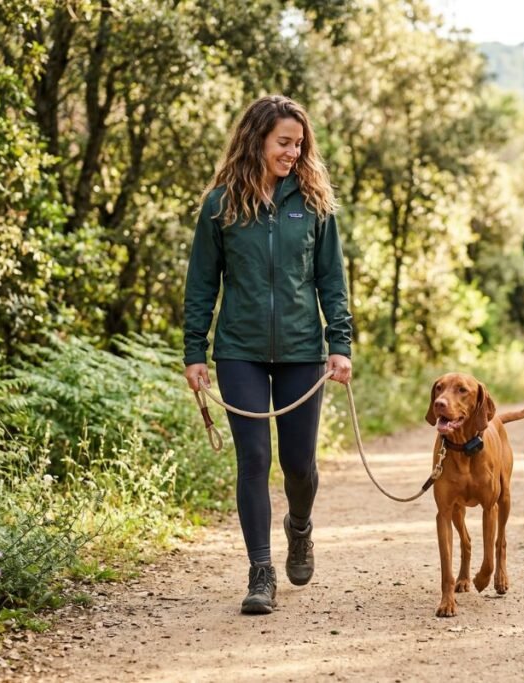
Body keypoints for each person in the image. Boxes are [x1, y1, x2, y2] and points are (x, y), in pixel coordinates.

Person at [182, 95, 353, 615]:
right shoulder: (221, 205)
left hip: (302, 349)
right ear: (257, 139)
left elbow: (331, 279)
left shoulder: (314, 204)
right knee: (254, 459)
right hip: (241, 351)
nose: (293, 153)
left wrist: (339, 344)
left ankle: (299, 527)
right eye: (284, 142)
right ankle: (261, 572)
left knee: (298, 465)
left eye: (299, 144)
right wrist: (195, 351)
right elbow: (201, 283)